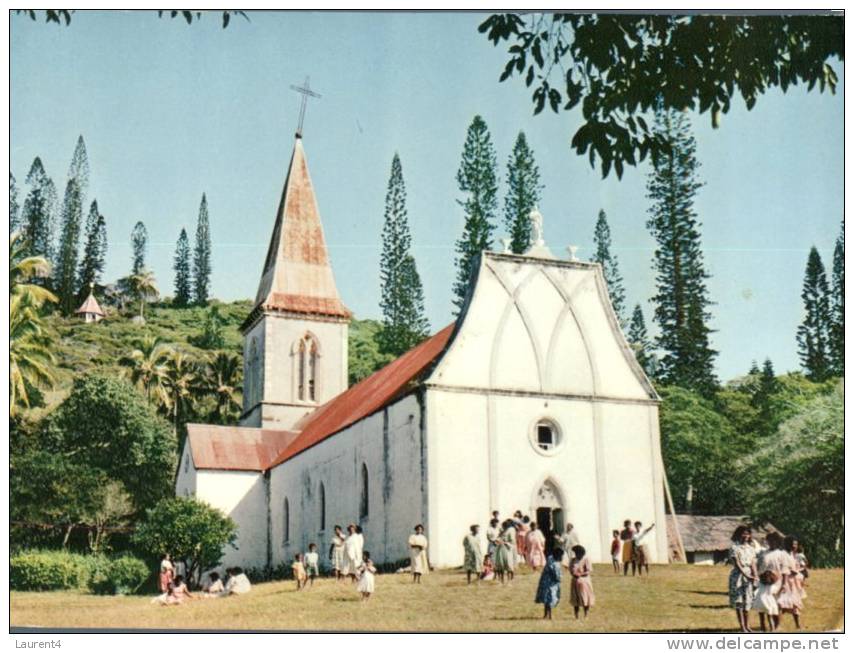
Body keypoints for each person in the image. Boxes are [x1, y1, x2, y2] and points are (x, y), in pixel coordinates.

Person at [752, 532, 791, 632]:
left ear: (777, 542)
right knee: (761, 602)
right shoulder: (763, 553)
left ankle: (776, 626)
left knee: (775, 604)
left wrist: (784, 584)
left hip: (777, 582)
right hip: (764, 581)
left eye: (773, 540)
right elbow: (758, 567)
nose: (771, 542)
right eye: (769, 540)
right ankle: (763, 626)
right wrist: (757, 578)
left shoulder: (782, 554)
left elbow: (785, 570)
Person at [728, 525, 758, 633]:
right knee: (739, 602)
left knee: (748, 602)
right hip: (738, 576)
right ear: (738, 534)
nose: (746, 536)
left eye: (748, 533)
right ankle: (742, 627)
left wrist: (755, 575)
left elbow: (753, 563)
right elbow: (737, 564)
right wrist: (745, 575)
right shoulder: (734, 548)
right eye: (744, 533)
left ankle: (748, 626)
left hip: (749, 575)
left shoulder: (751, 548)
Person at [778, 536, 804, 629]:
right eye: (793, 544)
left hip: (793, 583)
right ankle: (778, 626)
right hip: (785, 581)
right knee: (781, 603)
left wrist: (797, 570)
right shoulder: (783, 554)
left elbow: (797, 566)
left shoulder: (794, 555)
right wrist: (790, 571)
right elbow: (783, 568)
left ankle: (798, 625)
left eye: (796, 544)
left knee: (794, 604)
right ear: (788, 544)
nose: (794, 546)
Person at [534, 548, 563, 620]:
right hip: (551, 584)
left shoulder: (550, 558)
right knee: (550, 600)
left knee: (546, 599)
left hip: (544, 582)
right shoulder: (554, 564)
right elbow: (557, 576)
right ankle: (550, 616)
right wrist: (559, 579)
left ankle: (545, 614)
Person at [569, 545, 595, 619]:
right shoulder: (573, 560)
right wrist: (574, 574)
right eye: (576, 553)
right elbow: (571, 570)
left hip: (584, 581)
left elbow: (589, 571)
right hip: (575, 581)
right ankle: (576, 616)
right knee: (575, 599)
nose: (577, 555)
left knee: (585, 598)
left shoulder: (586, 559)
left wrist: (580, 574)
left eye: (578, 553)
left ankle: (586, 615)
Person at [494, 519, 516, 584]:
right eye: (503, 525)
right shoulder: (501, 532)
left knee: (508, 563)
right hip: (500, 549)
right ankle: (501, 580)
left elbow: (512, 541)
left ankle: (509, 580)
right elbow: (497, 539)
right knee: (500, 564)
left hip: (507, 549)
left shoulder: (510, 532)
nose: (504, 527)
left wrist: (505, 543)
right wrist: (497, 541)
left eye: (505, 525)